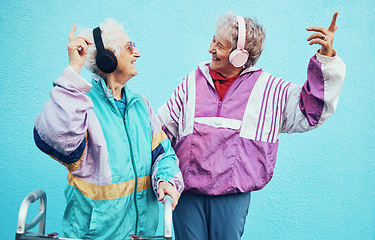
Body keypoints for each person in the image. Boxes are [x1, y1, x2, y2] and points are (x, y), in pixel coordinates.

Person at [157, 12, 345, 239]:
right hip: (187, 196)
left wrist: (326, 60)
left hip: (232, 197)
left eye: (219, 45)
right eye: (213, 40)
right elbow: (160, 130)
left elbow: (310, 111)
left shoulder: (269, 90)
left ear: (239, 56)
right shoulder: (191, 82)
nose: (210, 49)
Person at [33, 18, 184, 239]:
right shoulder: (82, 106)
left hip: (140, 234)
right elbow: (58, 137)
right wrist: (73, 71)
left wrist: (166, 179)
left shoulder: (141, 106)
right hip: (96, 235)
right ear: (108, 59)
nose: (138, 53)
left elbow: (163, 153)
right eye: (130, 47)